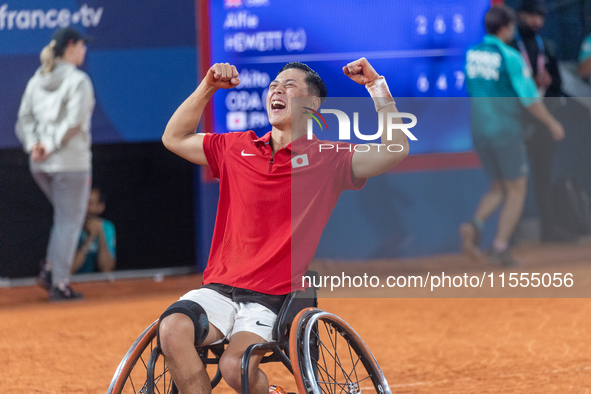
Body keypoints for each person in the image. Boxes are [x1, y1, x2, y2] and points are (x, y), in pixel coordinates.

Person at [158, 58, 408, 394]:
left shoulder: (328, 157)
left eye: (289, 85)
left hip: (273, 296)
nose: (277, 89)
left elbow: (396, 149)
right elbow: (174, 137)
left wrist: (377, 86)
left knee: (236, 366)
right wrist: (208, 87)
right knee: (172, 328)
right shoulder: (236, 147)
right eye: (274, 84)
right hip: (217, 287)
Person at [461, 5, 564, 266]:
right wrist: (551, 123)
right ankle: (499, 248)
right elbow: (529, 99)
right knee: (517, 189)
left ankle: (475, 225)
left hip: (479, 129)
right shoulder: (510, 56)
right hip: (505, 129)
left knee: (498, 188)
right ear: (506, 27)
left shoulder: (471, 54)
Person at [15, 27, 95, 301]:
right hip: (70, 163)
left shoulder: (37, 79)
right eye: (82, 45)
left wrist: (34, 145)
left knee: (64, 219)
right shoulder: (79, 81)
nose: (85, 50)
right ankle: (60, 284)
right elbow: (73, 122)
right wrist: (46, 145)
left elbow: (23, 120)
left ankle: (51, 271)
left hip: (40, 164)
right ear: (71, 46)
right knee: (69, 221)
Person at [510, 0, 574, 242]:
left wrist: (548, 84)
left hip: (544, 120)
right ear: (519, 16)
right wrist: (528, 87)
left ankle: (548, 230)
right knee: (514, 177)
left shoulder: (547, 46)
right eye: (531, 16)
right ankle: (510, 233)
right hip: (518, 120)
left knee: (544, 175)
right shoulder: (511, 48)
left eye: (540, 17)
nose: (536, 22)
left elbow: (558, 84)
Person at [71, 187, 116, 274]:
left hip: (98, 284)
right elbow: (70, 269)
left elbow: (107, 269)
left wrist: (101, 234)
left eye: (90, 203)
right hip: (74, 283)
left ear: (100, 207)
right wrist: (89, 238)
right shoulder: (70, 228)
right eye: (83, 202)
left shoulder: (107, 227)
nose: (86, 208)